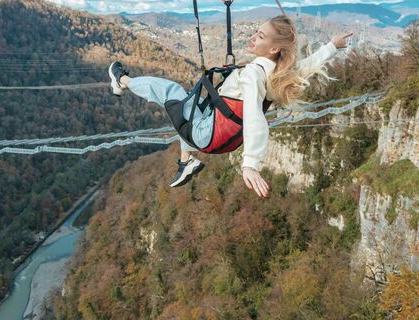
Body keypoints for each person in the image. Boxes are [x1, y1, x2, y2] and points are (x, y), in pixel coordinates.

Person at [109, 15, 352, 198]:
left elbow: (255, 117)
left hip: (206, 134)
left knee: (171, 91)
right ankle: (186, 161)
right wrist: (332, 47)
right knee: (191, 104)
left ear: (274, 48)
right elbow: (305, 66)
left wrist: (250, 164)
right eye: (256, 32)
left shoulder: (254, 75)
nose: (253, 37)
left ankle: (122, 81)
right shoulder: (277, 72)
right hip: (218, 135)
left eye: (260, 36)